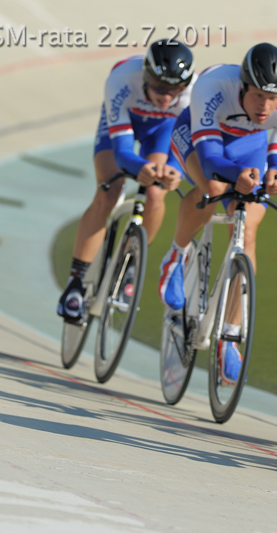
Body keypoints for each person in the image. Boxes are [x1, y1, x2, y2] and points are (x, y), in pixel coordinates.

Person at [158, 42, 277, 384]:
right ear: (242, 86)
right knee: (213, 188)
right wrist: (233, 176)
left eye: (273, 98)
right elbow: (209, 159)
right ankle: (175, 257)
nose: (266, 106)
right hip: (201, 139)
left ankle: (231, 334)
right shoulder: (212, 86)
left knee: (248, 229)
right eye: (257, 96)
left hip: (248, 147)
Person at [57, 39, 195, 323]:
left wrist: (171, 170)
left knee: (156, 193)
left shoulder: (194, 94)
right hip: (122, 122)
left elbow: (183, 146)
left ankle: (131, 263)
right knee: (108, 191)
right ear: (145, 75)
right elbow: (121, 153)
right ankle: (75, 281)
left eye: (175, 90)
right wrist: (139, 166)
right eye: (159, 87)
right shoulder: (121, 79)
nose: (167, 97)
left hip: (161, 129)